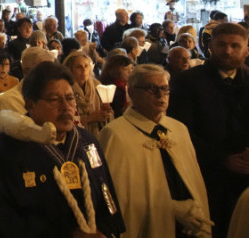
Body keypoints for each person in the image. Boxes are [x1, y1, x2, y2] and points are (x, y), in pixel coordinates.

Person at [0, 62, 125, 238]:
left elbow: (106, 196)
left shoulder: (87, 142)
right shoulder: (0, 152)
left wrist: (104, 231)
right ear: (30, 105)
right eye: (54, 100)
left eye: (70, 98)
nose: (65, 107)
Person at [99, 64, 212, 238]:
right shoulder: (115, 134)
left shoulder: (178, 129)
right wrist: (170, 209)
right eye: (152, 89)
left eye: (165, 89)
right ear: (132, 92)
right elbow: (119, 196)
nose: (161, 95)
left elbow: (194, 181)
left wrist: (196, 211)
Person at [169, 22, 249, 237]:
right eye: (222, 44)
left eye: (235, 45)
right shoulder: (188, 81)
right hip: (207, 176)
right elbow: (180, 130)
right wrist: (222, 158)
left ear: (246, 50)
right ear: (210, 46)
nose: (228, 51)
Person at [0, 46, 55, 117]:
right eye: (44, 71)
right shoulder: (5, 103)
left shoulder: (55, 98)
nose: (50, 76)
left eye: (53, 71)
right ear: (27, 71)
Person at [64, 52, 112, 136]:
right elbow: (65, 118)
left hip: (97, 133)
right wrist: (88, 118)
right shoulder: (66, 88)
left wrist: (106, 113)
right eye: (79, 67)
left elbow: (109, 112)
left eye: (86, 66)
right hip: (77, 135)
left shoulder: (96, 85)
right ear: (70, 69)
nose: (84, 70)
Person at [99, 52, 134, 118]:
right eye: (126, 69)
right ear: (115, 71)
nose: (130, 72)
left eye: (131, 68)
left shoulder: (129, 85)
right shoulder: (111, 88)